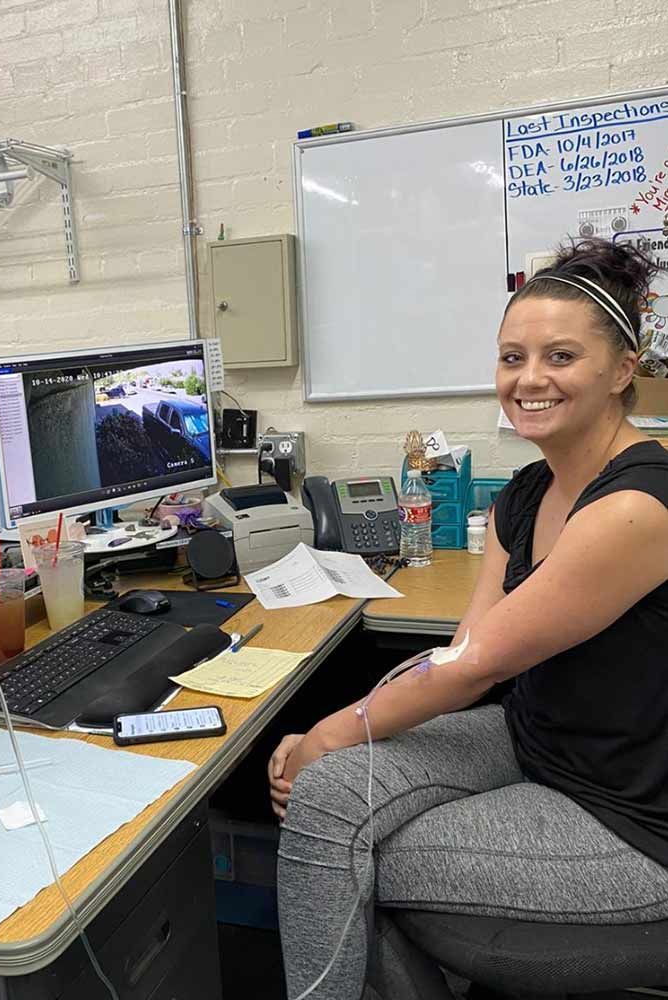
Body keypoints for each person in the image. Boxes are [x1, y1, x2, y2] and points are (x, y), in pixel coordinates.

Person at [270, 239, 668, 1000]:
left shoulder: (637, 504)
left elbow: (479, 668)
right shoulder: (523, 494)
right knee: (330, 803)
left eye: (559, 356)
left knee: (346, 844)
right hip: (535, 741)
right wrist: (345, 733)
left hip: (631, 813)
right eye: (512, 357)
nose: (529, 379)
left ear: (622, 370)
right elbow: (462, 652)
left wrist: (327, 732)